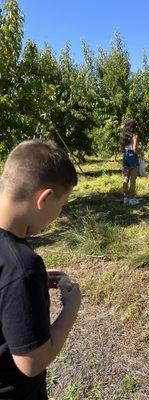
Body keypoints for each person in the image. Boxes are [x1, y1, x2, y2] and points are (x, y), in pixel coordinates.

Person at [0, 140, 81, 399]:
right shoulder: (21, 266)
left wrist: (27, 287)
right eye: (61, 205)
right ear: (44, 199)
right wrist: (72, 307)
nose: (58, 214)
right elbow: (31, 363)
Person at [120, 119, 140, 205]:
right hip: (133, 157)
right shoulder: (134, 136)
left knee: (125, 178)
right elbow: (135, 149)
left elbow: (121, 149)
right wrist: (140, 152)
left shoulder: (122, 136)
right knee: (133, 179)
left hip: (125, 157)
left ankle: (125, 198)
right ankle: (132, 199)